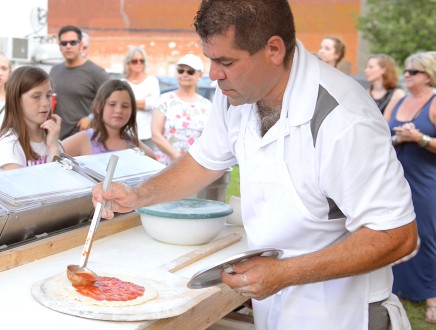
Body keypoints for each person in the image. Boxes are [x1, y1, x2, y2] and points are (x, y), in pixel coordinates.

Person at [92, 1, 418, 329]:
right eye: (211, 60)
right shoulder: (237, 92)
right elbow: (203, 162)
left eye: (226, 61)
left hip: (342, 312)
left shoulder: (344, 119)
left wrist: (287, 273)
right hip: (274, 301)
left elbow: (396, 234)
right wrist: (136, 195)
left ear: (273, 49)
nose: (214, 74)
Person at [386, 51, 436, 324]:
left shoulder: (433, 103)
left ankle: (431, 297)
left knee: (426, 236)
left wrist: (420, 138)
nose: (406, 76)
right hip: (397, 177)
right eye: (405, 71)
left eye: (412, 72)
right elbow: (381, 134)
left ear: (427, 75)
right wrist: (398, 137)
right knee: (396, 230)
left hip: (426, 179)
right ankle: (399, 288)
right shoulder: (399, 100)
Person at [0, 66, 62, 171]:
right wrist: (54, 149)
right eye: (36, 97)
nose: (46, 103)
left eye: (48, 95)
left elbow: (64, 181)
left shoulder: (52, 139)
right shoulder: (9, 144)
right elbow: (26, 186)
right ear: (17, 100)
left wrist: (54, 146)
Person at [62, 79, 155, 158]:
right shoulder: (83, 139)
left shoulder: (134, 144)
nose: (118, 110)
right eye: (112, 104)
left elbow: (153, 161)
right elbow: (52, 159)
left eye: (125, 106)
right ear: (98, 108)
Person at [50, 25, 109, 139]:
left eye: (73, 42)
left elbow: (112, 99)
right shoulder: (54, 70)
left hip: (84, 138)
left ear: (81, 45)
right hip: (57, 138)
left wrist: (92, 117)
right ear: (59, 46)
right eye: (64, 43)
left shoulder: (96, 72)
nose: (68, 46)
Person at [151, 54, 211, 165]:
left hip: (194, 166)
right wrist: (177, 158)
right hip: (164, 165)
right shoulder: (164, 100)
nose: (184, 74)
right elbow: (156, 134)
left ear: (200, 75)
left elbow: (209, 140)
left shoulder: (207, 106)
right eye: (180, 70)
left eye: (190, 71)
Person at [122, 47, 160, 149]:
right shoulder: (122, 83)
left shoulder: (152, 81)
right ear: (128, 63)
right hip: (126, 134)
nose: (139, 63)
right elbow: (121, 106)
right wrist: (143, 101)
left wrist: (130, 102)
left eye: (141, 61)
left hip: (147, 135)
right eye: (135, 61)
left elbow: (154, 103)